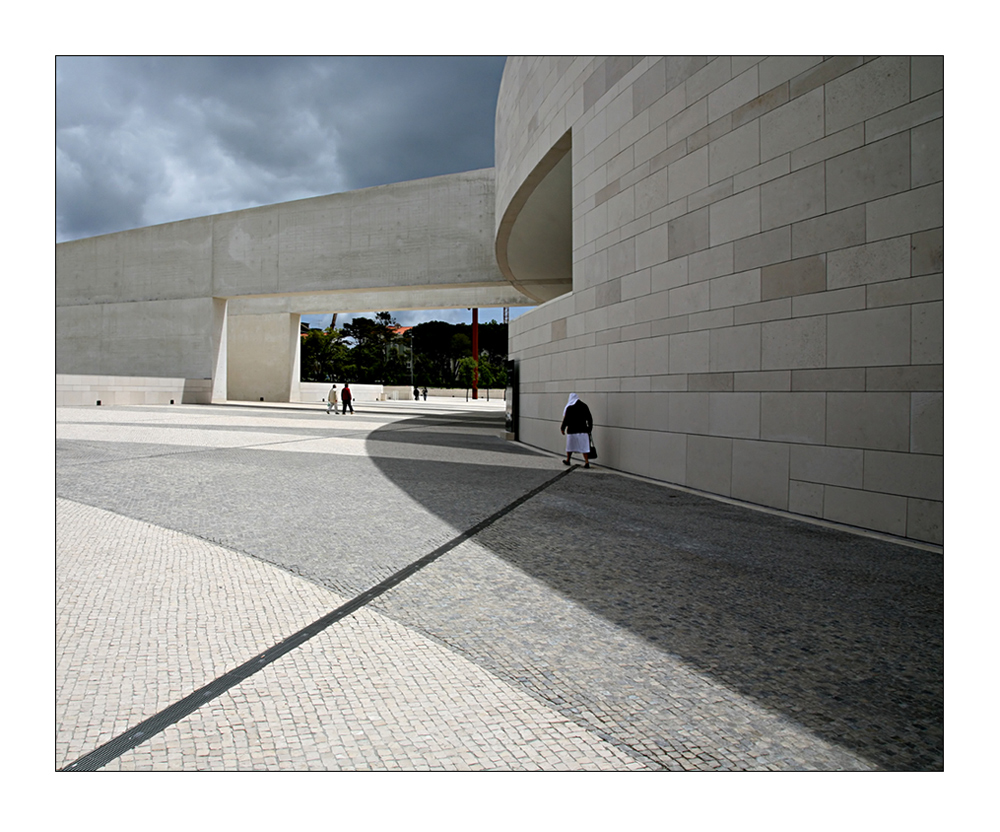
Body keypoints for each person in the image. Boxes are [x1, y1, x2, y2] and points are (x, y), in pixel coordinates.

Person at [560, 392, 593, 468]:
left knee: (570, 446)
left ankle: (568, 460)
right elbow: (589, 418)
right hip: (583, 429)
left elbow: (566, 419)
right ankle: (587, 461)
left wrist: (562, 428)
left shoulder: (569, 407)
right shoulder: (584, 406)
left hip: (572, 430)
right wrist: (590, 428)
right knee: (584, 447)